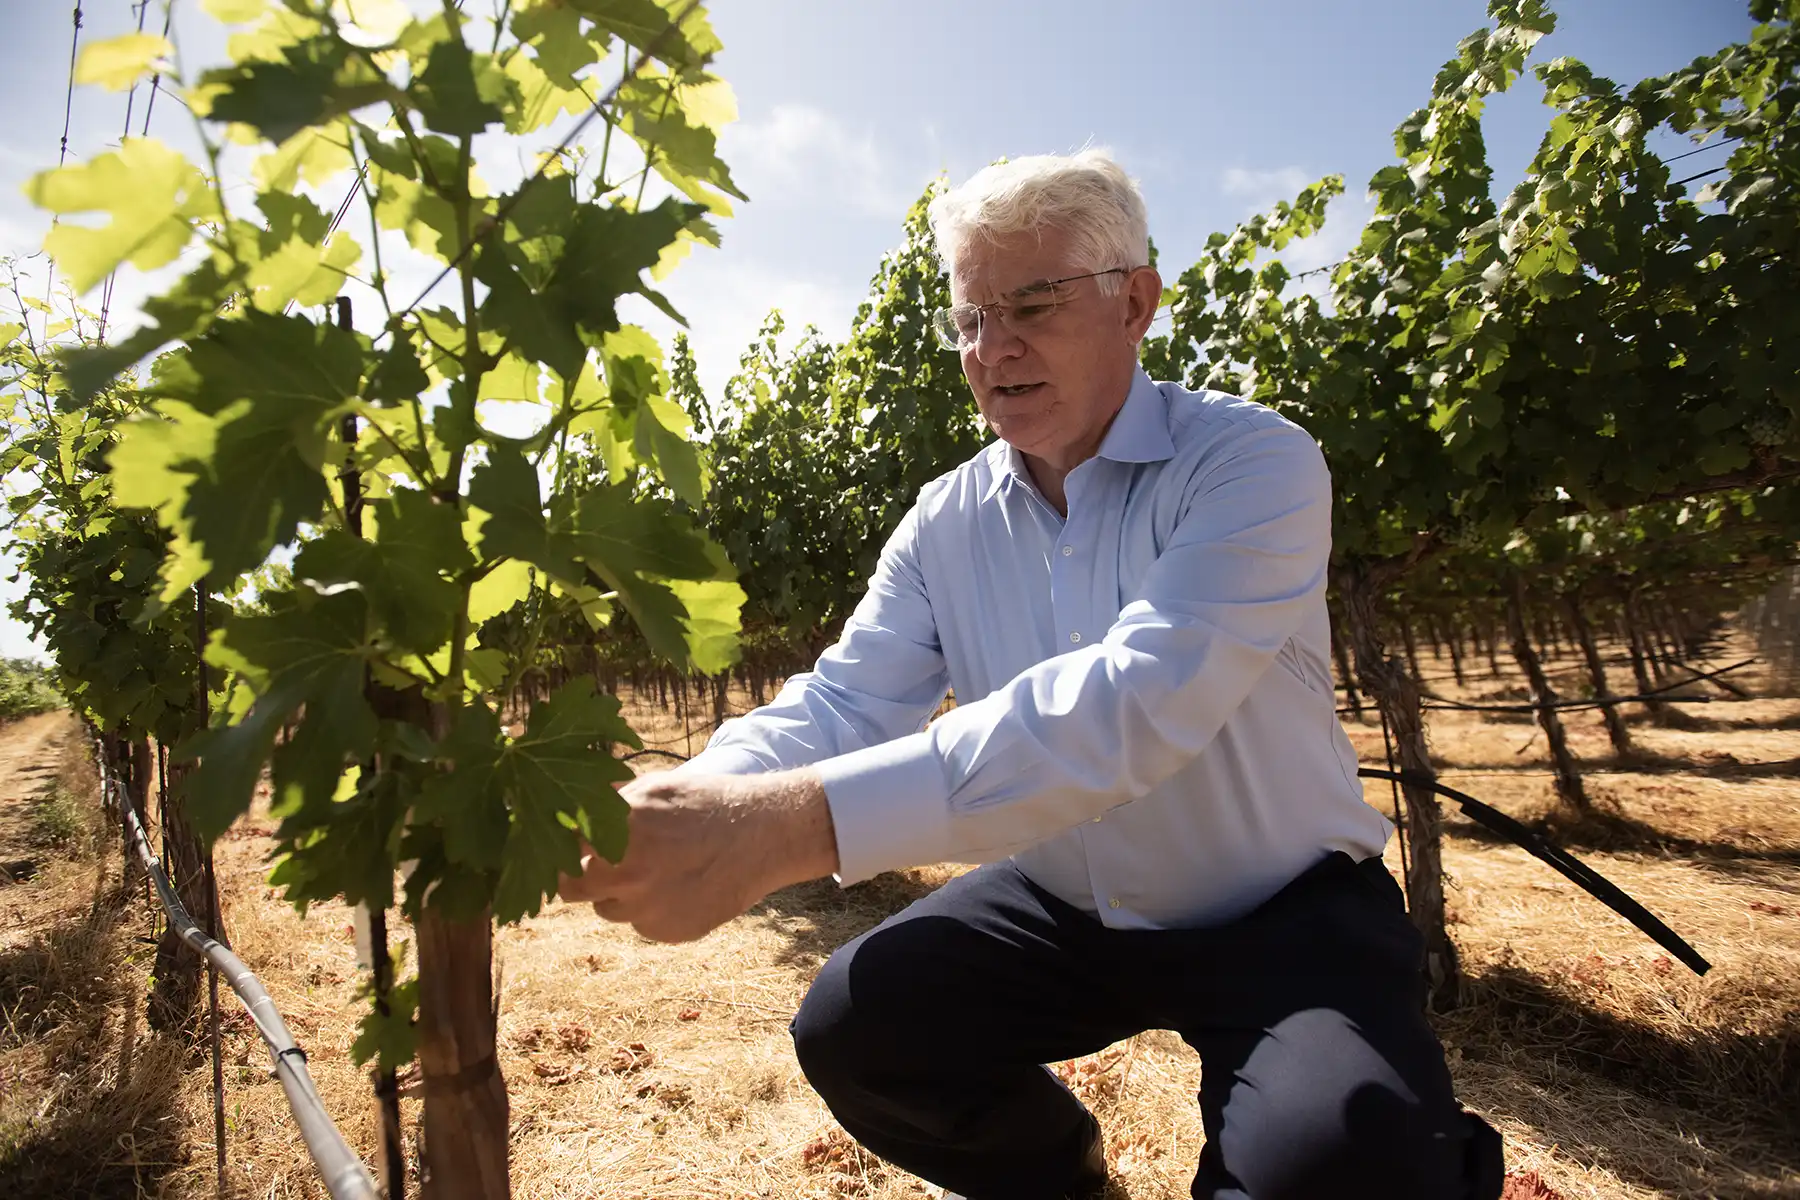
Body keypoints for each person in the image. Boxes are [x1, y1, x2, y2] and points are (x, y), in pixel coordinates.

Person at [559, 149, 1505, 1200]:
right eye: (970, 317)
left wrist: (781, 828)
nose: (992, 347)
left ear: (1135, 302)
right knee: (861, 1026)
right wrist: (705, 796)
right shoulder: (944, 520)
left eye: (1034, 304)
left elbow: (1134, 705)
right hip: (1067, 906)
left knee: (1341, 1166)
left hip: (1282, 913)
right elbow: (847, 699)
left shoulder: (1252, 464)